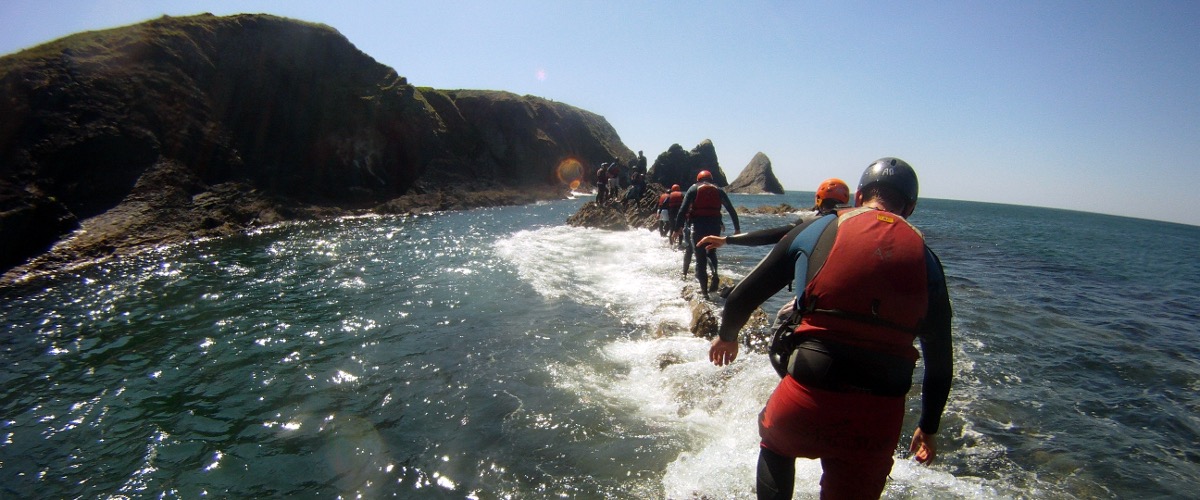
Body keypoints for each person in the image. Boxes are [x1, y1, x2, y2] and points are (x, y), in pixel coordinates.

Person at [708, 158, 953, 499]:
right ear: (909, 207)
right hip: (880, 414)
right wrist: (928, 428)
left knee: (776, 446)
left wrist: (727, 336)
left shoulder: (818, 228)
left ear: (859, 195)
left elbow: (742, 296)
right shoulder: (928, 262)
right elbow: (941, 362)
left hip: (809, 391)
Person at [696, 178, 850, 251]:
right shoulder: (856, 221)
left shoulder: (810, 221)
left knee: (736, 299)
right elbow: (731, 210)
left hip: (817, 297)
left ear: (818, 199)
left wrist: (727, 240)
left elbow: (772, 234)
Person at [675, 170, 740, 299]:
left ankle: (704, 293)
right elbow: (731, 210)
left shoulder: (694, 189)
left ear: (698, 179)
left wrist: (678, 228)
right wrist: (737, 229)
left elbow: (682, 210)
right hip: (715, 227)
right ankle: (715, 274)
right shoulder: (719, 190)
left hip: (699, 227)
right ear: (711, 179)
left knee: (700, 259)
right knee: (712, 253)